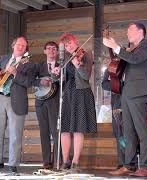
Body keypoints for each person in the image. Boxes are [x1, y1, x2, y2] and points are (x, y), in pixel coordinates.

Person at [103, 22, 147, 177]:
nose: (127, 33)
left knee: (142, 130)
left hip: (138, 93)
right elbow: (122, 61)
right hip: (126, 93)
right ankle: (128, 165)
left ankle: (145, 166)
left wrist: (116, 47)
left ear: (141, 32)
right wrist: (114, 49)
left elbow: (135, 59)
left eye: (130, 30)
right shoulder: (130, 48)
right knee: (128, 131)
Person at [0, 36, 35, 173]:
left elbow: (29, 83)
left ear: (26, 49)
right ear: (13, 45)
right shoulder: (3, 58)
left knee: (15, 133)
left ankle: (13, 163)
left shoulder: (29, 63)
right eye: (19, 44)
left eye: (24, 46)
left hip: (17, 99)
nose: (20, 47)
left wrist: (16, 73)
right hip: (0, 97)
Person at [51, 33, 97, 173]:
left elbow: (85, 76)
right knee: (65, 129)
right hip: (68, 94)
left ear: (75, 41)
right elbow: (55, 79)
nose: (68, 46)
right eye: (65, 45)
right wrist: (55, 72)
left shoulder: (86, 54)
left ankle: (76, 163)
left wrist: (77, 65)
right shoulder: (63, 57)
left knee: (78, 128)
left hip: (82, 93)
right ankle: (66, 161)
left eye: (69, 43)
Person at [32, 41, 60, 169]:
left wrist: (58, 76)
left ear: (58, 52)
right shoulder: (39, 66)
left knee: (55, 131)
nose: (51, 51)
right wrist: (40, 81)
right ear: (44, 51)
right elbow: (32, 80)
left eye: (54, 49)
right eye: (48, 48)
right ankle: (46, 162)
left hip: (54, 102)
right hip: (40, 102)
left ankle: (57, 161)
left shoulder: (61, 66)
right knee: (44, 132)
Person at [101, 69, 125, 169]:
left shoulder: (130, 66)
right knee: (119, 134)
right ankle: (123, 162)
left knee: (123, 134)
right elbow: (104, 84)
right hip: (117, 106)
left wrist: (108, 70)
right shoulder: (113, 68)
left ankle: (126, 163)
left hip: (123, 106)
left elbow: (104, 83)